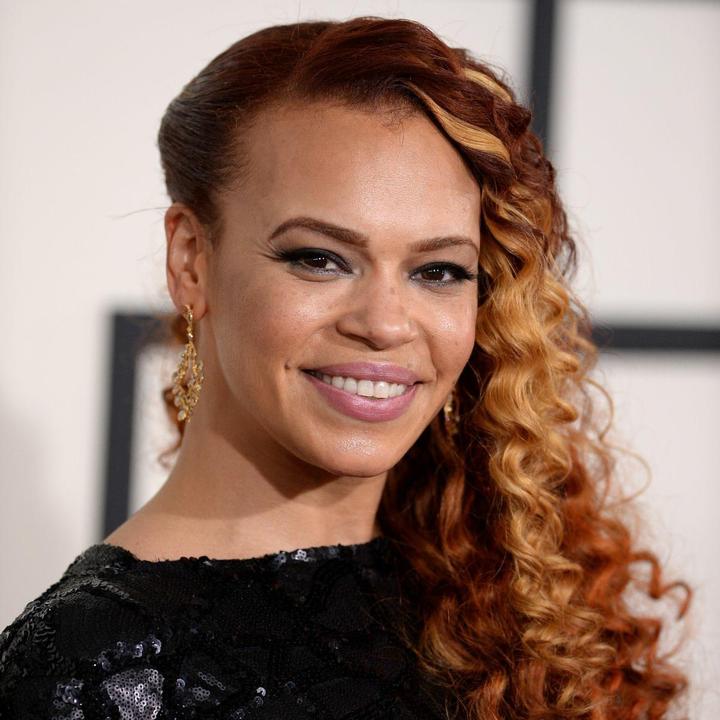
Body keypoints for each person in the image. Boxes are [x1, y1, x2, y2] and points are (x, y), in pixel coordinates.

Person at [0, 16, 691, 720]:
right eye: (319, 259)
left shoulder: (504, 602)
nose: (386, 324)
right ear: (192, 262)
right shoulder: (83, 673)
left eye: (438, 270)